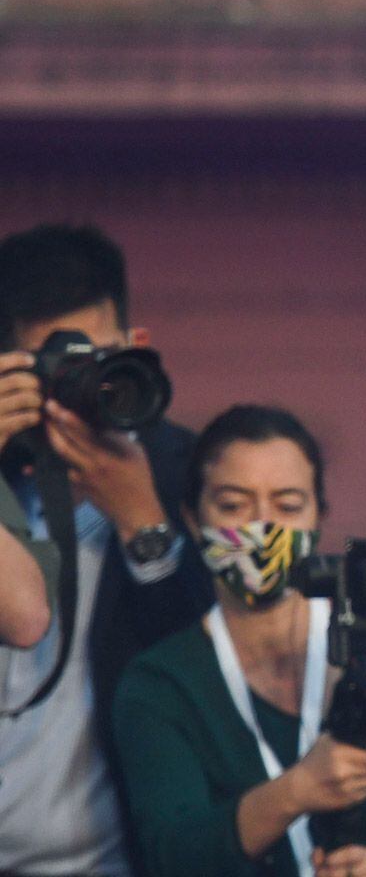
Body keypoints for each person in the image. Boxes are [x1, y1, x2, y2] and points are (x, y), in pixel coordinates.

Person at [110, 405, 366, 877]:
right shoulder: (160, 684)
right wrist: (294, 791)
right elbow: (174, 855)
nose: (263, 526)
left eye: (288, 505)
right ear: (192, 517)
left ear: (317, 516)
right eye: (233, 505)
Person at [0, 223, 212, 877]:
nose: (74, 384)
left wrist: (143, 522)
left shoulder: (188, 471)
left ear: (134, 347)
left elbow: (216, 686)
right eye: (51, 366)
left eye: (92, 358)